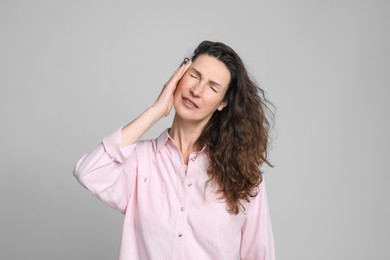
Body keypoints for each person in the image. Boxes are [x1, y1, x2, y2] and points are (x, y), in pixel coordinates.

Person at [73, 40, 275, 260]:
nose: (196, 90)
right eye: (194, 75)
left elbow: (260, 255)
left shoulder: (245, 177)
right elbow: (89, 172)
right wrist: (156, 110)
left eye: (212, 86)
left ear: (223, 103)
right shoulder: (141, 162)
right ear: (179, 76)